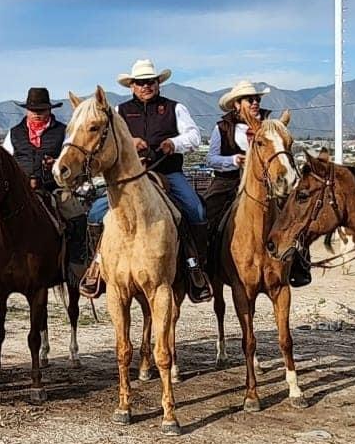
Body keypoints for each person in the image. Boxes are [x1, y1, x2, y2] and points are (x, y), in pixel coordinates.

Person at [80, 59, 212, 302]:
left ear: (158, 83)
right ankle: (97, 265)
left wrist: (174, 143)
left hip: (168, 173)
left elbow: (194, 135)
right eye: (140, 83)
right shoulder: (119, 112)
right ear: (132, 86)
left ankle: (195, 268)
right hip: (128, 178)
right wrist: (131, 142)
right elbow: (111, 140)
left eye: (150, 81)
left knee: (196, 210)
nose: (145, 86)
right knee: (96, 213)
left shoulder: (175, 108)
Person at [0, 88, 67, 291]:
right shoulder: (14, 133)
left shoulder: (64, 132)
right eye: (33, 109)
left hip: (53, 188)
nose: (37, 113)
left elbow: (71, 160)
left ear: (49, 110)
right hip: (19, 191)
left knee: (75, 215)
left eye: (42, 109)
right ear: (26, 110)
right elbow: (2, 163)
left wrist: (56, 164)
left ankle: (76, 268)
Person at [203, 81, 271, 238]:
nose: (255, 103)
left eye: (257, 100)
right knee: (206, 213)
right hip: (228, 182)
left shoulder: (268, 126)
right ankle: (205, 255)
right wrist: (233, 161)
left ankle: (301, 259)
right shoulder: (222, 128)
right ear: (237, 104)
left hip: (264, 183)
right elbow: (211, 160)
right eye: (249, 99)